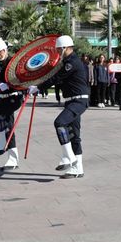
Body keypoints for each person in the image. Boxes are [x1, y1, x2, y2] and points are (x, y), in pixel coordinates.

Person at [29, 35, 89, 179]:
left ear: (65, 48)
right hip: (72, 101)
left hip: (78, 101)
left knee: (59, 123)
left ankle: (69, 158)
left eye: (58, 49)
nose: (56, 51)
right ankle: (78, 169)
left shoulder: (71, 62)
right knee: (74, 136)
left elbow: (56, 78)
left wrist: (38, 88)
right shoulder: (67, 62)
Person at [0, 38, 23, 171]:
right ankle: (12, 159)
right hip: (2, 98)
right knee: (9, 126)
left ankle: (1, 143)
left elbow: (21, 76)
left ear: (4, 50)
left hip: (14, 98)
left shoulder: (13, 62)